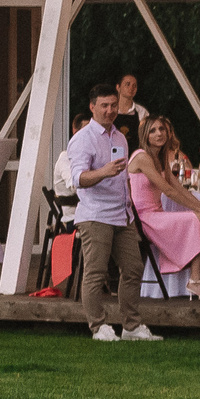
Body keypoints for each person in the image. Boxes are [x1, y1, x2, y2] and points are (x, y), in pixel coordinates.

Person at [67, 84, 157, 342]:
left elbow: (123, 176)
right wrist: (103, 172)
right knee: (96, 273)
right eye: (104, 106)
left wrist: (129, 204)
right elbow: (78, 179)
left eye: (113, 106)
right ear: (92, 107)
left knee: (133, 268)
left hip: (122, 214)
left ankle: (131, 326)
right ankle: (98, 326)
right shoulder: (82, 139)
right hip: (95, 215)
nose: (109, 110)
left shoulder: (119, 137)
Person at [128, 116, 200, 302]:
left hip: (156, 214)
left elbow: (179, 188)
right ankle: (194, 280)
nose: (159, 134)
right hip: (142, 217)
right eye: (153, 130)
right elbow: (169, 191)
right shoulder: (142, 156)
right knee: (197, 218)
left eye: (161, 129)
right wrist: (199, 211)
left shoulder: (159, 157)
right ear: (145, 135)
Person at [52, 113, 90, 194]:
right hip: (73, 206)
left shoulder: (91, 157)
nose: (90, 136)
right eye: (86, 132)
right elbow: (76, 186)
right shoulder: (65, 157)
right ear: (75, 132)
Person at [111, 72, 145, 154]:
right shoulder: (110, 110)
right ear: (118, 87)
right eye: (127, 84)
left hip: (135, 156)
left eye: (134, 85)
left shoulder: (142, 112)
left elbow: (146, 137)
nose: (131, 88)